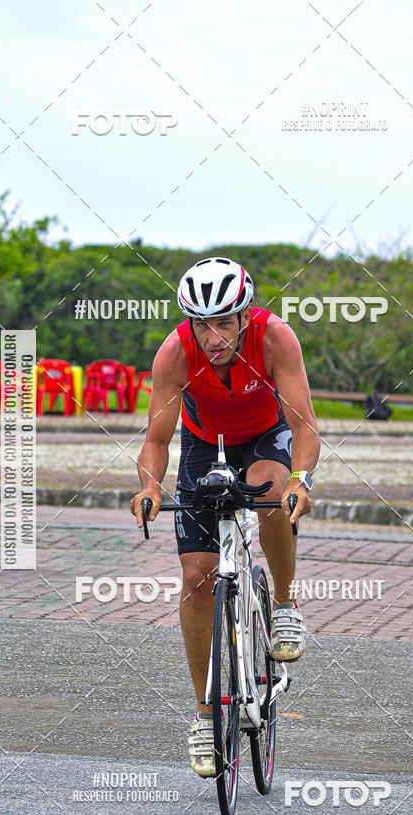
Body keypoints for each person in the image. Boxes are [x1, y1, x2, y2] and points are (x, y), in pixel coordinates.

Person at [130, 257, 320, 777]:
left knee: (272, 490)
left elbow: (305, 427)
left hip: (265, 436)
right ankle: (206, 713)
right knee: (197, 576)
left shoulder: (275, 338)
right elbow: (156, 440)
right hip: (203, 445)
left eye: (223, 323)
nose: (213, 338)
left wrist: (301, 481)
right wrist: (149, 485)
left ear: (244, 317)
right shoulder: (174, 353)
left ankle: (284, 603)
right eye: (202, 325)